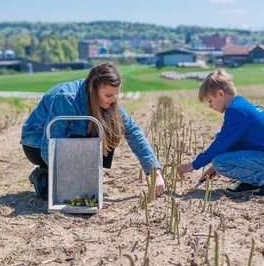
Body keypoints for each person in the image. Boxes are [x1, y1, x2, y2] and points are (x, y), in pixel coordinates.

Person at [20, 62, 166, 200]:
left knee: (110, 129)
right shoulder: (66, 99)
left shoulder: (109, 103)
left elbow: (134, 132)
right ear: (93, 88)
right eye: (108, 96)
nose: (113, 100)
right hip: (36, 145)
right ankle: (43, 175)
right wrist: (72, 182)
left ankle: (73, 176)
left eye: (115, 95)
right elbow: (50, 145)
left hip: (70, 142)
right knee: (60, 193)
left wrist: (155, 172)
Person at [177, 69, 264, 197]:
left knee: (220, 163)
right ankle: (257, 181)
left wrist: (194, 165)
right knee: (219, 139)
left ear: (220, 94)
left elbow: (220, 144)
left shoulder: (236, 111)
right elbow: (229, 142)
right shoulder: (239, 105)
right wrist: (212, 169)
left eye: (210, 100)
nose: (210, 106)